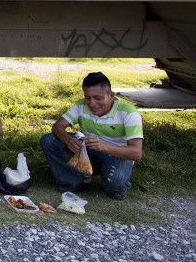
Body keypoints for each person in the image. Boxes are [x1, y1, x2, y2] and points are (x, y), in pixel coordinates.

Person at [40, 72, 143, 200]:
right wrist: (69, 141)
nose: (92, 103)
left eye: (98, 98)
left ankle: (118, 180)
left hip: (116, 155)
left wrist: (103, 147)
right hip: (88, 150)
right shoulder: (80, 105)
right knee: (49, 140)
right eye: (87, 97)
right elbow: (57, 126)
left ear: (111, 96)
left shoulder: (129, 113)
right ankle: (74, 181)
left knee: (115, 190)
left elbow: (136, 153)